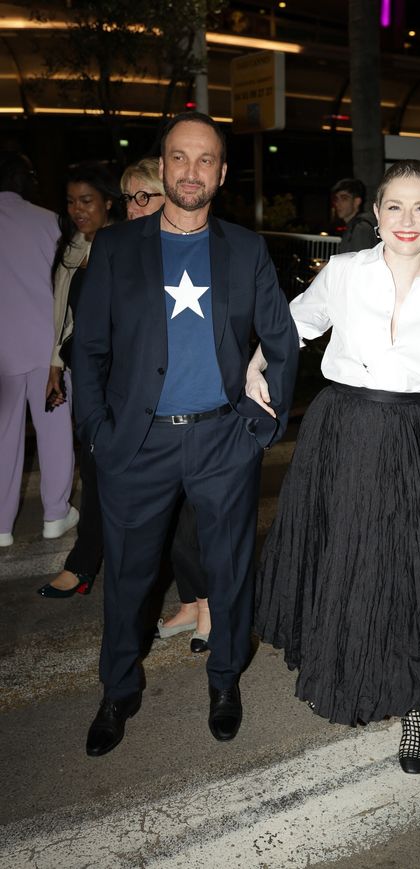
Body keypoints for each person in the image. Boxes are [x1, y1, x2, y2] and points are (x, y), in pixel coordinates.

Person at [249, 160, 420, 775]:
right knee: (343, 557)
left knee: (411, 571)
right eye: (395, 206)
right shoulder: (344, 272)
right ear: (377, 214)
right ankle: (345, 663)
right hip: (339, 430)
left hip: (411, 435)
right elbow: (296, 323)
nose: (407, 219)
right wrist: (254, 363)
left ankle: (415, 705)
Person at [72, 110, 299, 756]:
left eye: (205, 159)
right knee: (129, 577)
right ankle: (118, 689)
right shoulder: (116, 248)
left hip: (223, 440)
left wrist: (262, 426)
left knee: (229, 573)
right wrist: (98, 432)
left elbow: (281, 340)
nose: (191, 171)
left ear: (221, 174)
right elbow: (89, 349)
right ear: (164, 165)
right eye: (179, 157)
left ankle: (224, 680)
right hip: (137, 443)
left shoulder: (246, 249)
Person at [121, 156, 212, 650]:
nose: (133, 208)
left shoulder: (202, 249)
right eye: (128, 198)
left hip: (199, 415)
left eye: (144, 196)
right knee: (171, 526)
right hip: (143, 418)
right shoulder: (124, 252)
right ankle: (191, 601)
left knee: (196, 523)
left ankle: (211, 607)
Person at [37, 163, 124, 597]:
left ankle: (90, 563)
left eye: (86, 200)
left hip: (119, 378)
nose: (77, 210)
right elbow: (63, 314)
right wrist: (55, 367)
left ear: (108, 202)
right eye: (71, 202)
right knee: (93, 469)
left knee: (111, 471)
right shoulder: (71, 248)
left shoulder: (125, 246)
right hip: (84, 375)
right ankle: (86, 562)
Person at [0, 154, 76, 549]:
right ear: (19, 178)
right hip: (47, 351)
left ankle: (1, 525)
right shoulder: (50, 222)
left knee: (2, 439)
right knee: (54, 433)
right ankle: (55, 514)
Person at [330, 177, 377, 253]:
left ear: (356, 202)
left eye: (344, 198)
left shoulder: (360, 228)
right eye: (336, 199)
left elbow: (359, 259)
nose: (338, 203)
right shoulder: (356, 225)